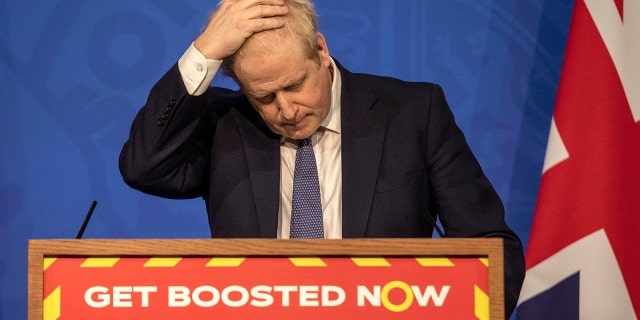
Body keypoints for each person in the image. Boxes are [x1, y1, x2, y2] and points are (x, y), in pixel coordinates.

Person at [119, 0, 525, 316]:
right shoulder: (225, 127)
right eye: (264, 97)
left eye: (295, 84)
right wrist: (203, 51)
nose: (288, 109)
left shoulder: (412, 113)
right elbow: (143, 166)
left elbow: (492, 247)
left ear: (320, 49)